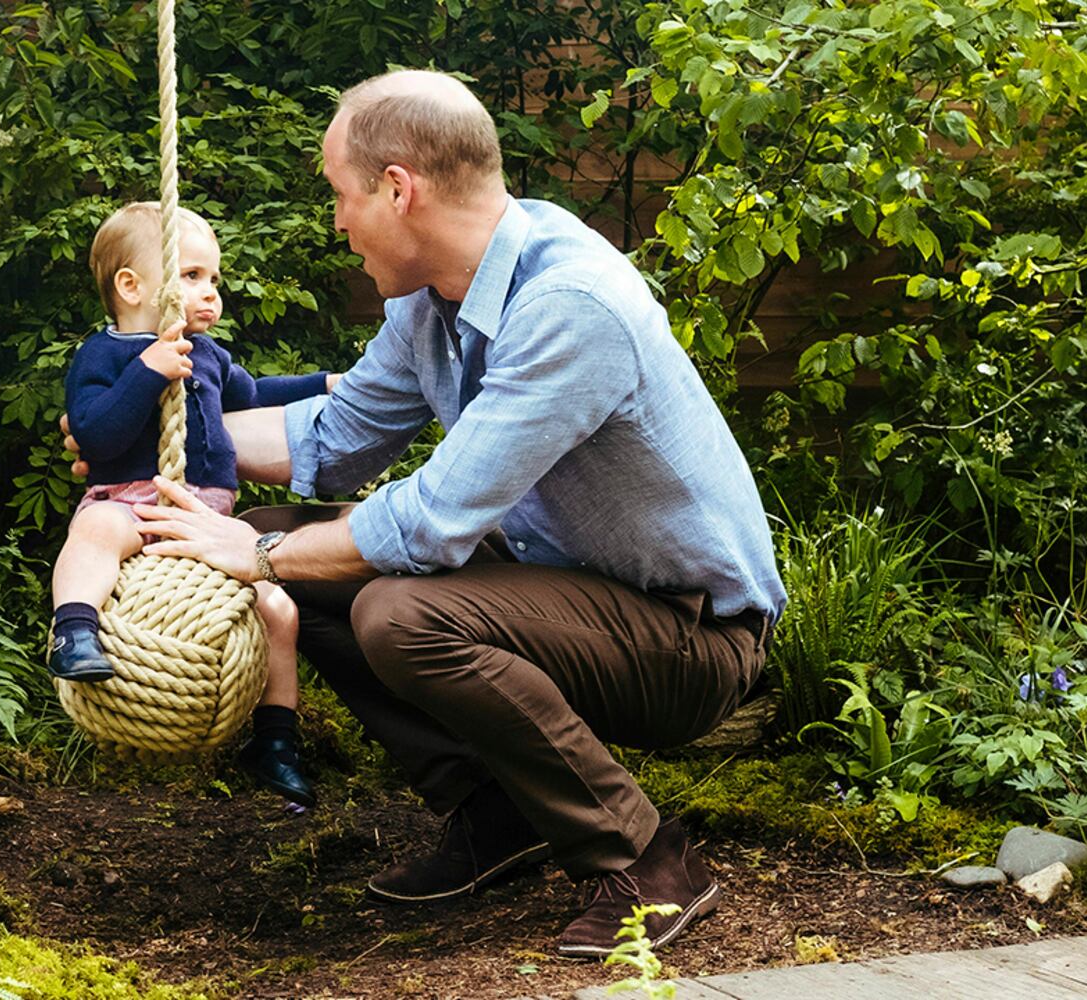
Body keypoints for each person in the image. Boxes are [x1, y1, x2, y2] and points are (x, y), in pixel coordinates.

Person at [74, 70, 787, 958]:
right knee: (303, 545)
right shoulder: (432, 302)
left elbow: (431, 522)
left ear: (397, 188)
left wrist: (252, 551)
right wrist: (140, 435)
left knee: (391, 606)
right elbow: (334, 439)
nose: (337, 222)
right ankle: (498, 811)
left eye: (341, 195)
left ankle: (646, 860)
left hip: (689, 639)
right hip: (567, 594)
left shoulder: (569, 305)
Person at [49, 200, 338, 808]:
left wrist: (326, 384)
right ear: (131, 286)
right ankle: (74, 631)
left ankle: (277, 740)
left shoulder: (206, 353)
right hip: (133, 504)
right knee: (96, 527)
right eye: (192, 276)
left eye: (214, 279)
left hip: (207, 522)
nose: (211, 293)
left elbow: (254, 394)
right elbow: (97, 434)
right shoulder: (102, 357)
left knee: (277, 609)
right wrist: (148, 371)